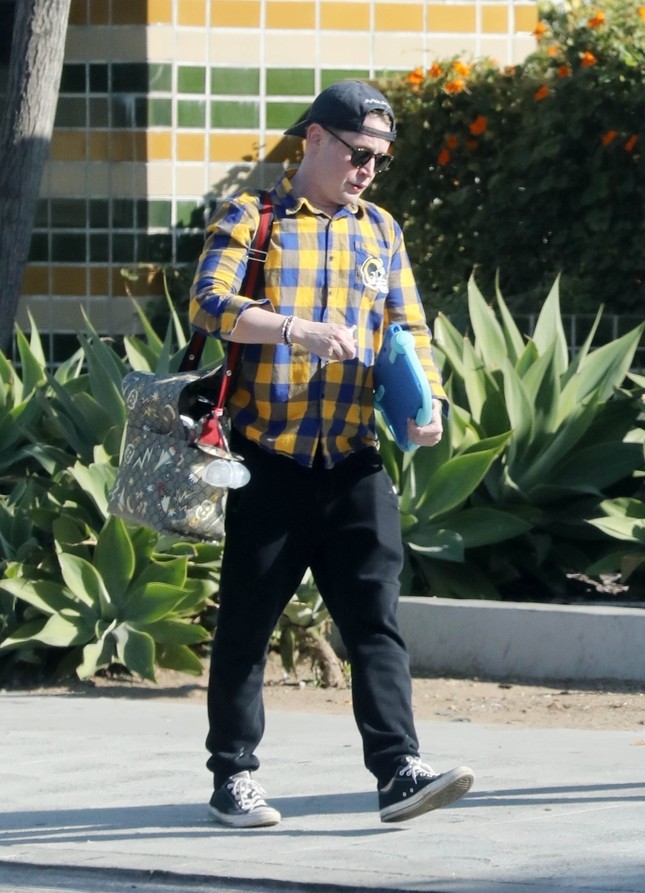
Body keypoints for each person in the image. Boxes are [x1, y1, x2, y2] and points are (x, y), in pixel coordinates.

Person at [189, 80, 475, 827]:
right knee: (247, 624)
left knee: (375, 620)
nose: (368, 172)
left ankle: (398, 768)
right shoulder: (254, 218)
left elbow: (407, 329)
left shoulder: (381, 230)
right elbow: (210, 304)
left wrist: (427, 404)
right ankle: (233, 775)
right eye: (357, 154)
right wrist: (294, 330)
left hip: (353, 457)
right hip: (269, 456)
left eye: (379, 160)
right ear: (314, 140)